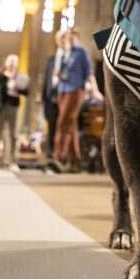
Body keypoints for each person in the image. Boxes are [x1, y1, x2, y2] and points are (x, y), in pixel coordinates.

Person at [51, 28, 97, 173]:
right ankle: (74, 160)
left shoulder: (81, 52)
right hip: (62, 90)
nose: (64, 39)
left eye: (66, 36)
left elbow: (89, 72)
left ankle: (59, 157)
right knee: (71, 124)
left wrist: (95, 90)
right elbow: (59, 73)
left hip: (76, 89)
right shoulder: (63, 53)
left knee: (63, 122)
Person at [0, 54, 29, 172]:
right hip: (0, 107)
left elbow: (26, 92)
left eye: (15, 61)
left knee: (13, 135)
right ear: (6, 63)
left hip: (13, 107)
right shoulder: (0, 75)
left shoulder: (20, 77)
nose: (12, 63)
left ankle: (11, 162)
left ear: (17, 64)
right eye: (10, 61)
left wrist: (16, 88)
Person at [40, 29, 67, 165]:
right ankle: (50, 157)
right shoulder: (51, 59)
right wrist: (44, 99)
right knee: (51, 128)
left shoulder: (70, 57)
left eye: (64, 38)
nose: (62, 40)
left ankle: (61, 157)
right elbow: (46, 81)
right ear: (57, 41)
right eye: (60, 38)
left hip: (65, 98)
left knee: (62, 129)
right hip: (51, 100)